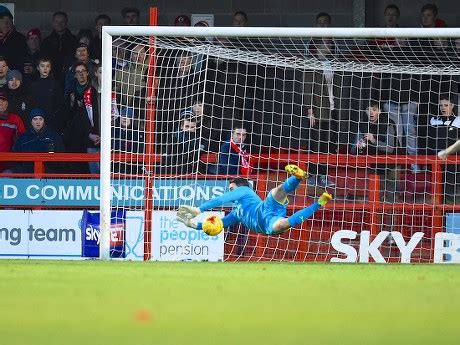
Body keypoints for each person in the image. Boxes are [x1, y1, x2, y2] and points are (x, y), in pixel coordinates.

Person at [177, 165, 332, 235]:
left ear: (239, 187)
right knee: (283, 223)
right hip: (267, 225)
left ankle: (298, 177)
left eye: (231, 188)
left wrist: (200, 209)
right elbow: (219, 224)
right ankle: (317, 201)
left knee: (277, 191)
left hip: (266, 209)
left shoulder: (245, 190)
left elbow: (223, 199)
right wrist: (191, 224)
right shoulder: (237, 213)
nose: (230, 192)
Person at [11, 108, 65, 173]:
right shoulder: (23, 139)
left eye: (40, 119)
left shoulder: (54, 137)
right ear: (31, 121)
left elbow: (61, 157)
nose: (38, 122)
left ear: (44, 121)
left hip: (50, 177)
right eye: (35, 119)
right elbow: (16, 159)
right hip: (28, 177)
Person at [41, 11, 77, 81]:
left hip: (70, 77)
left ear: (66, 23)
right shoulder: (47, 41)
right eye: (56, 21)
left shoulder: (74, 40)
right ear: (53, 23)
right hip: (51, 77)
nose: (59, 24)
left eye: (62, 21)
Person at [0, 91, 25, 171]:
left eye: (3, 101)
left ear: (7, 103)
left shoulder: (15, 119)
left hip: (8, 164)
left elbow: (22, 140)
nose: (0, 103)